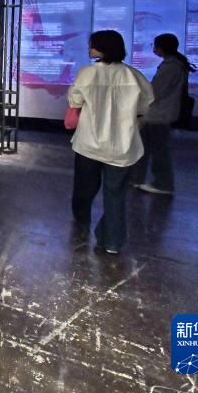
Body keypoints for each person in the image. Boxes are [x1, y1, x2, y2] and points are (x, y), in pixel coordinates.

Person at [68, 30, 154, 254]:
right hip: (122, 145)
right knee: (115, 196)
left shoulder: (87, 74)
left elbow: (75, 101)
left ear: (102, 49)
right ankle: (113, 242)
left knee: (84, 188)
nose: (89, 48)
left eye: (92, 45)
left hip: (88, 143)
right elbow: (146, 104)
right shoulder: (133, 75)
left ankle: (82, 222)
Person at [131, 33, 196, 195]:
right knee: (145, 148)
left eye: (154, 45)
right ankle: (136, 179)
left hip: (158, 115)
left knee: (159, 151)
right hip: (157, 114)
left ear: (161, 47)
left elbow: (155, 92)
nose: (153, 48)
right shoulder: (174, 64)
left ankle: (163, 184)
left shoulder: (171, 67)